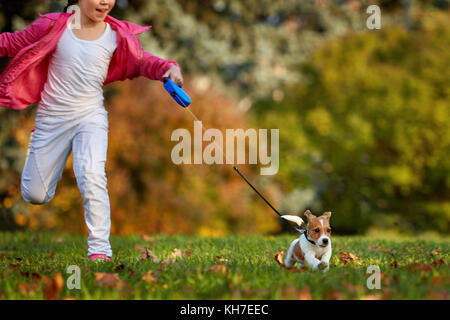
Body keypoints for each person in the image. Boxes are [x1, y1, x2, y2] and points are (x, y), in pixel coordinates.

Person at [0, 0, 183, 262]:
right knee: (35, 194)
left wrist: (168, 68)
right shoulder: (52, 26)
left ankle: (100, 251)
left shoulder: (115, 35)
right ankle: (46, 157)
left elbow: (142, 61)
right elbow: (10, 43)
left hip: (90, 118)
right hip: (51, 120)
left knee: (92, 174)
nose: (105, 1)